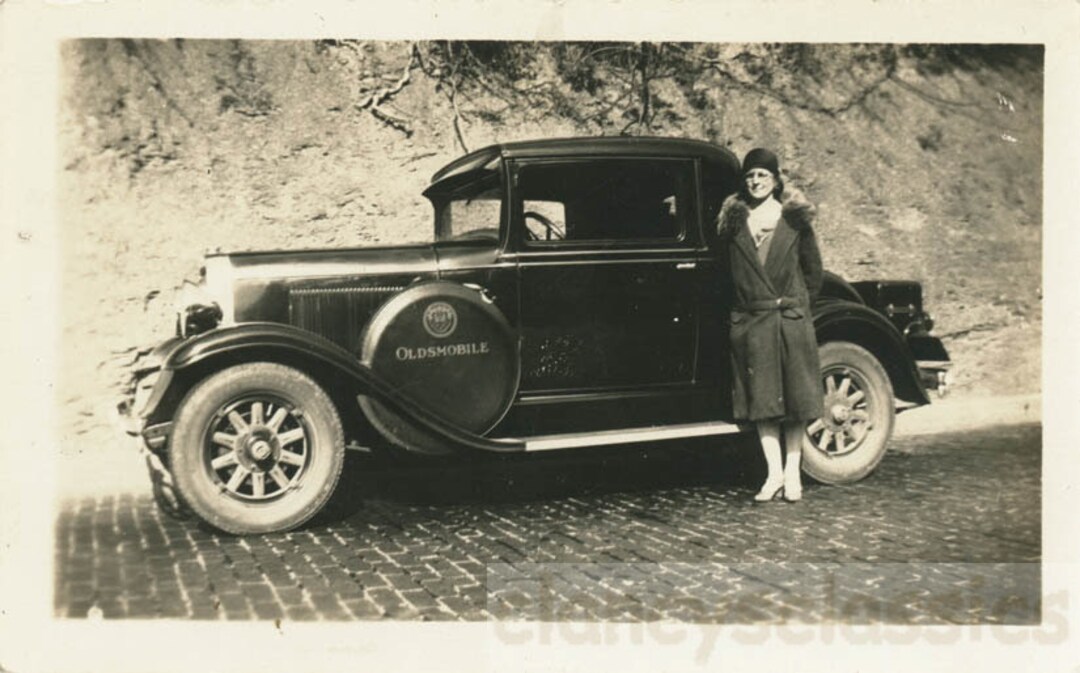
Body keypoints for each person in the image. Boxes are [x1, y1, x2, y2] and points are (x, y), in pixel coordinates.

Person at [716, 148, 824, 502]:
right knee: (762, 404)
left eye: (762, 175)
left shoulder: (793, 220)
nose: (756, 182)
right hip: (753, 321)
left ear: (776, 180)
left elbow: (813, 274)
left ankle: (793, 474)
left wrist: (794, 306)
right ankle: (773, 474)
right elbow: (726, 277)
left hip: (789, 320)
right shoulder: (734, 223)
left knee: (795, 404)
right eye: (750, 177)